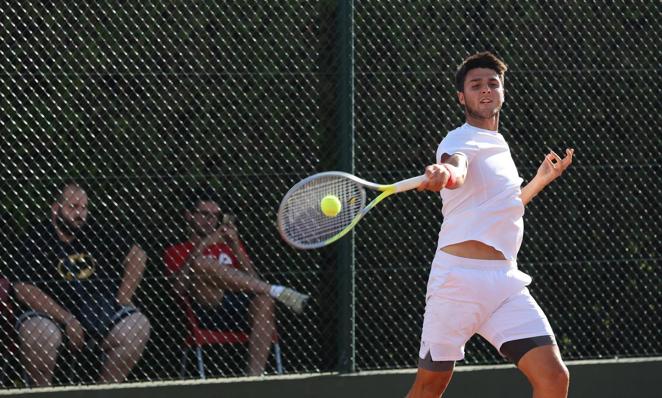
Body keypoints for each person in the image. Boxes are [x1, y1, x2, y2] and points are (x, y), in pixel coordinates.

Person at [407, 52, 574, 398]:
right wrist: (447, 173)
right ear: (461, 97)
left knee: (554, 379)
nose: (485, 90)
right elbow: (458, 166)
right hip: (457, 282)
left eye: (492, 84)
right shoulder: (458, 140)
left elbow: (503, 207)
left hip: (504, 284)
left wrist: (539, 181)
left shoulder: (500, 146)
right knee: (429, 388)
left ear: (502, 92)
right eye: (476, 85)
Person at [12, 182, 151, 386]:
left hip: (100, 315)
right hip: (52, 319)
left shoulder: (95, 230)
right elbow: (22, 289)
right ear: (56, 209)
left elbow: (137, 255)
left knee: (138, 325)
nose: (80, 214)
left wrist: (124, 297)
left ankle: (104, 391)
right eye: (73, 207)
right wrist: (67, 319)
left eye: (84, 208)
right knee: (37, 332)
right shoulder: (37, 236)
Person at [163, 186, 309, 376]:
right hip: (206, 308)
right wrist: (204, 244)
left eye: (215, 215)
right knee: (200, 264)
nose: (210, 221)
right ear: (189, 216)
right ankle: (277, 290)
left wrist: (235, 245)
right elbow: (177, 289)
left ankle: (253, 381)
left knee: (265, 300)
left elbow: (254, 281)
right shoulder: (175, 250)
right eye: (204, 214)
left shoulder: (230, 245)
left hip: (240, 306)